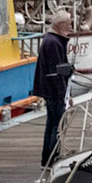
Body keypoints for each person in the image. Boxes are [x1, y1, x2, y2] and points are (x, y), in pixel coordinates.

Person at [36, 11, 75, 166]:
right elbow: (56, 71)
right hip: (54, 92)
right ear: (60, 25)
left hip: (52, 90)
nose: (71, 26)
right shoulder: (53, 42)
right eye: (68, 23)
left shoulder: (52, 40)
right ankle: (51, 157)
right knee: (56, 124)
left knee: (52, 123)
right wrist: (64, 94)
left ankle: (49, 156)